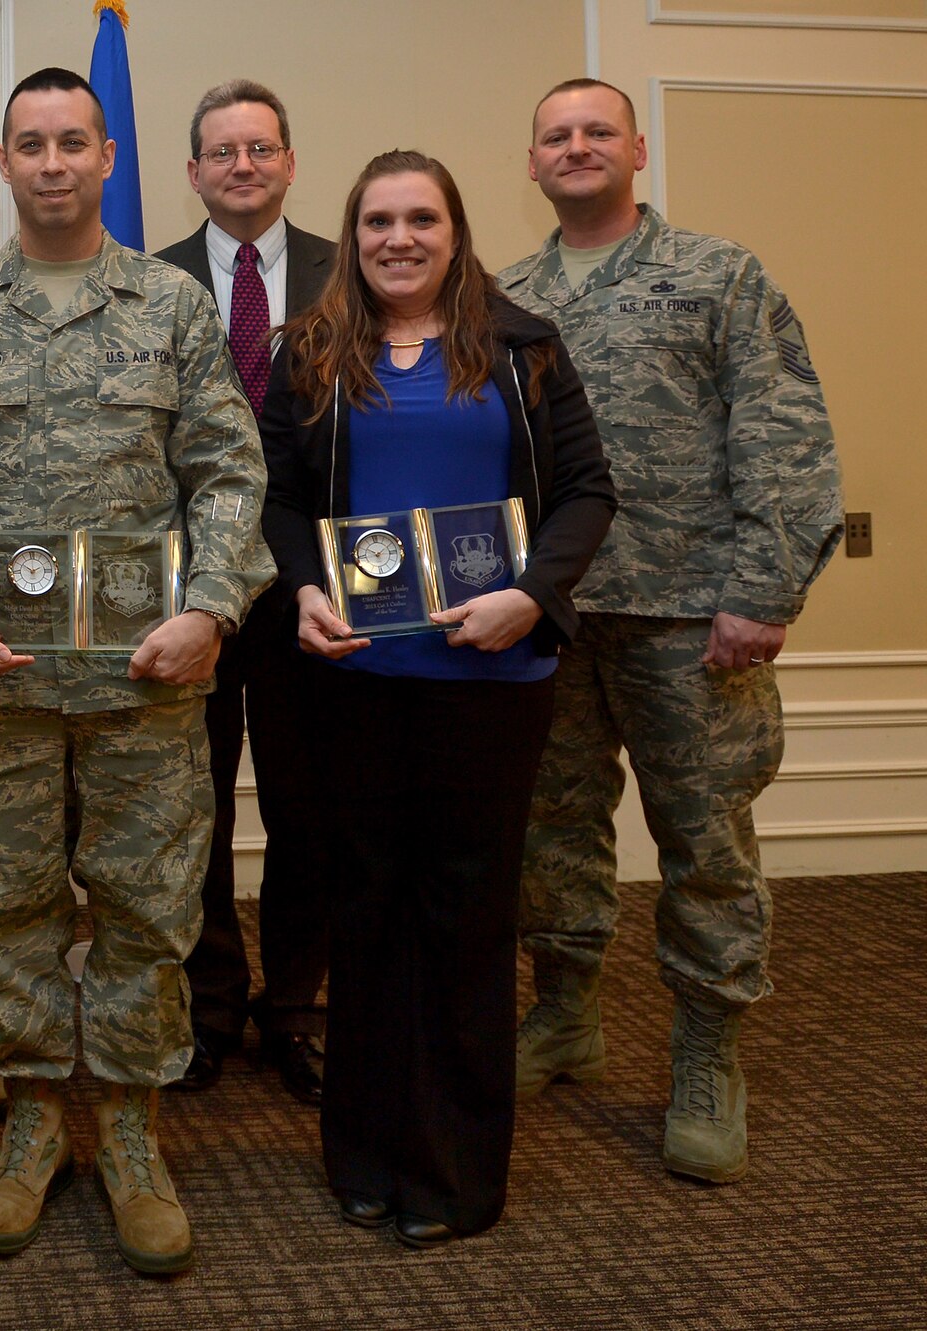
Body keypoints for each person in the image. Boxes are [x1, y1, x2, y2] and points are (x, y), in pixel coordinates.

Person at [0, 67, 271, 1276]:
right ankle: (27, 1125)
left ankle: (125, 1129)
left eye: (74, 142)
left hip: (144, 681)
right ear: (0, 163)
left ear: (106, 158)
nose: (53, 162)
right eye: (31, 144)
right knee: (4, 914)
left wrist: (213, 606)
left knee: (144, 911)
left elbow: (226, 472)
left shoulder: (169, 308)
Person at [260, 149, 614, 1248]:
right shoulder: (308, 353)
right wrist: (303, 589)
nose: (397, 239)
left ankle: (456, 1170)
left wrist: (531, 594)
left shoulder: (521, 350)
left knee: (463, 919)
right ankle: (363, 1155)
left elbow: (587, 490)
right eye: (376, 222)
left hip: (490, 679)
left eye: (419, 218)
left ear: (455, 231)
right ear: (352, 236)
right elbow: (274, 500)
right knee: (364, 910)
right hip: (356, 678)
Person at [502, 79, 843, 1183]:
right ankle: (564, 1010)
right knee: (551, 832)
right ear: (531, 161)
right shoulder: (506, 293)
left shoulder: (716, 273)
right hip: (549, 614)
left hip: (690, 612)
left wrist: (763, 588)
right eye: (555, 134)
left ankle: (705, 1048)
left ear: (636, 147)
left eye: (596, 129)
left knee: (703, 841)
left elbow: (784, 428)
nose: (576, 146)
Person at [154, 78, 333, 1102]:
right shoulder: (149, 281)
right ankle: (209, 1003)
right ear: (192, 172)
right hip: (191, 593)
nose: (243, 167)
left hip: (314, 587)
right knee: (196, 810)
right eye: (222, 152)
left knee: (309, 808)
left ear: (288, 162)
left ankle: (296, 1007)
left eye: (260, 149)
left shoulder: (349, 274)